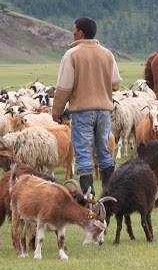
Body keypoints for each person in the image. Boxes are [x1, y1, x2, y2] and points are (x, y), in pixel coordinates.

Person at [51, 17, 121, 195]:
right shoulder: (107, 54)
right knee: (104, 152)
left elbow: (64, 87)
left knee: (83, 154)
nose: (72, 33)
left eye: (74, 30)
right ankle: (110, 194)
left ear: (81, 32)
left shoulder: (72, 55)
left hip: (82, 111)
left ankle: (88, 198)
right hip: (104, 110)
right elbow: (115, 84)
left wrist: (56, 111)